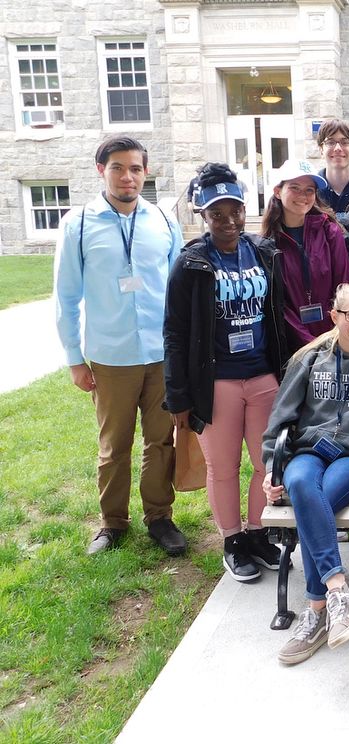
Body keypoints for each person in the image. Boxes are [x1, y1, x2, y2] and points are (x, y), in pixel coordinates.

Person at [54, 135, 187, 556]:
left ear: (145, 172)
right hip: (111, 357)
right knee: (114, 446)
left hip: (161, 355)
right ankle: (112, 522)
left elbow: (180, 291)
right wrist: (75, 360)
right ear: (101, 171)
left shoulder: (164, 221)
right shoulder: (77, 224)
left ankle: (160, 518)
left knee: (161, 441)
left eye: (135, 168)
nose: (127, 176)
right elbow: (66, 297)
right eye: (117, 167)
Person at [262, 283, 349, 665]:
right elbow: (280, 419)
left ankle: (316, 610)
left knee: (312, 501)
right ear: (334, 314)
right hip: (308, 450)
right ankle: (337, 591)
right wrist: (272, 469)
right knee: (303, 482)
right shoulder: (309, 357)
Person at [164, 163, 288, 581]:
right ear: (203, 215)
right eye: (218, 213)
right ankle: (233, 541)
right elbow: (175, 334)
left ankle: (258, 533)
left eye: (235, 209)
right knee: (223, 466)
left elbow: (277, 317)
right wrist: (178, 396)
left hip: (261, 375)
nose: (229, 220)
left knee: (266, 461)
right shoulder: (191, 264)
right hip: (215, 381)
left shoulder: (265, 253)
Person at [260, 158, 349, 354]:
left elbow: (343, 286)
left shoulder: (330, 232)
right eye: (295, 187)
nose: (303, 195)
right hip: (292, 346)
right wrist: (309, 343)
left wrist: (334, 335)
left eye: (309, 190)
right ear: (278, 191)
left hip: (334, 339)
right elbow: (278, 303)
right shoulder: (267, 244)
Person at [315, 118, 349, 230]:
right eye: (330, 142)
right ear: (321, 150)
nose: (338, 148)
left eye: (345, 142)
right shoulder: (311, 188)